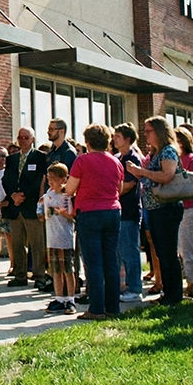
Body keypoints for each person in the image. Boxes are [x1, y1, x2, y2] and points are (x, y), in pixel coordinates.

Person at [65, 123, 124, 321]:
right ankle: (113, 307)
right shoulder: (116, 162)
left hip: (89, 212)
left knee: (94, 262)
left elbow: (70, 190)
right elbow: (120, 188)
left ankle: (97, 308)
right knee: (111, 261)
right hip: (112, 211)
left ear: (88, 142)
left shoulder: (82, 161)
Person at [127, 117, 185, 306]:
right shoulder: (156, 153)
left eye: (148, 131)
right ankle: (169, 292)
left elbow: (167, 175)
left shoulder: (168, 151)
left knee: (168, 252)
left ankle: (174, 295)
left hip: (167, 208)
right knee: (162, 251)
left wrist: (141, 172)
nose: (145, 135)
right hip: (155, 209)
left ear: (159, 131)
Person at [1, 127, 47, 288]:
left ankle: (40, 275)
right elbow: (6, 180)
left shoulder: (40, 157)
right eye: (20, 137)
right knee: (17, 244)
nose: (22, 140)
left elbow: (39, 181)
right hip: (15, 208)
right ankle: (20, 275)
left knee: (37, 243)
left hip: (31, 206)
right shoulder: (12, 159)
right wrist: (13, 195)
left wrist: (24, 195)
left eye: (26, 137)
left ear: (32, 139)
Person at [112, 123, 144, 303]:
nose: (114, 139)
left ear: (128, 139)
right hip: (117, 210)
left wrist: (111, 192)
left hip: (129, 211)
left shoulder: (133, 158)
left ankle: (135, 287)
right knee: (118, 251)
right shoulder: (117, 157)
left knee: (129, 250)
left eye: (118, 136)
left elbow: (130, 184)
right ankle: (121, 286)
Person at [41, 163, 76, 314]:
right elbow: (42, 212)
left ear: (63, 179)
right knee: (55, 270)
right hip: (52, 237)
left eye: (54, 178)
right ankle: (59, 298)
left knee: (68, 269)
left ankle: (71, 299)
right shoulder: (47, 195)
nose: (51, 182)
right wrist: (42, 213)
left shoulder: (66, 195)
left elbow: (72, 215)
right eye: (49, 178)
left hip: (65, 238)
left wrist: (60, 211)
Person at [175, 127, 193, 300]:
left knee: (189, 247)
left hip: (191, 208)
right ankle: (184, 281)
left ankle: (192, 284)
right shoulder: (174, 160)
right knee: (180, 249)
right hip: (177, 209)